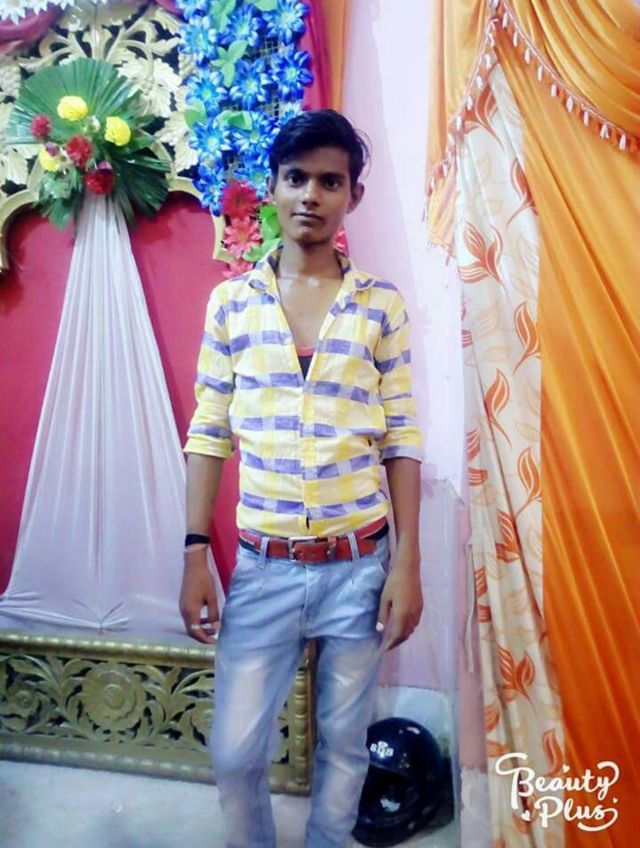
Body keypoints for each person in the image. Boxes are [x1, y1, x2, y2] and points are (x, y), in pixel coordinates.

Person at [179, 109, 424, 848]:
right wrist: (195, 550)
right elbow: (209, 431)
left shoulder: (379, 306)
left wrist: (407, 564)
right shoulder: (232, 304)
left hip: (358, 565)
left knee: (345, 747)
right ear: (273, 188)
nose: (311, 195)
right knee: (234, 754)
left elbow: (402, 436)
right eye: (296, 178)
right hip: (265, 567)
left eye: (330, 181)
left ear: (352, 195)